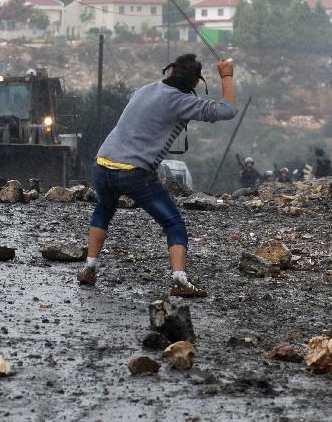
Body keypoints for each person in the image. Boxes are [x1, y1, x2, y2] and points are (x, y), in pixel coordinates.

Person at [77, 54, 237, 297]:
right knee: (173, 223)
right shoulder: (182, 102)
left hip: (102, 163)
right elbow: (227, 110)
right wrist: (226, 75)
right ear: (195, 82)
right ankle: (180, 280)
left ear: (171, 73)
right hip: (134, 172)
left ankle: (89, 268)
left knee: (104, 208)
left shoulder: (143, 90)